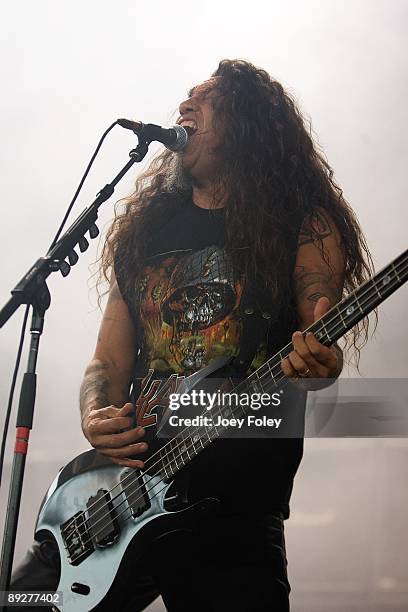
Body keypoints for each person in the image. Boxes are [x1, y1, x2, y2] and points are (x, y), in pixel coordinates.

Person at [9, 59, 374, 611]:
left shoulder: (302, 222)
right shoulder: (147, 229)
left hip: (232, 511)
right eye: (185, 96)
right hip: (119, 499)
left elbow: (318, 340)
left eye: (205, 99)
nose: (184, 106)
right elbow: (106, 362)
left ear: (247, 123)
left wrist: (323, 363)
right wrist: (95, 415)